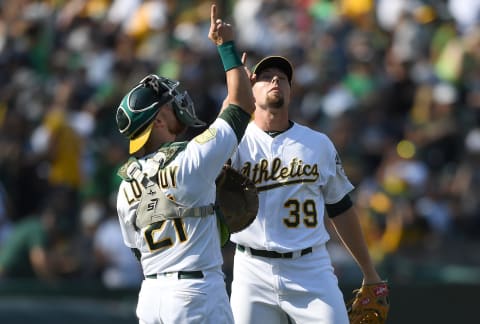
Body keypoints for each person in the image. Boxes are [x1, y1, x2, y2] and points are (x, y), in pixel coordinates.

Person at [115, 4, 254, 324]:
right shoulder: (191, 160)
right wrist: (226, 47)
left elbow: (138, 252)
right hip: (195, 294)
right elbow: (242, 106)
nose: (179, 103)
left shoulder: (126, 185)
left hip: (151, 297)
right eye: (171, 102)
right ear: (160, 120)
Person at [228, 55, 385, 324]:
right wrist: (234, 90)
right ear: (250, 89)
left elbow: (341, 208)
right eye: (265, 78)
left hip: (310, 268)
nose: (275, 80)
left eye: (282, 78)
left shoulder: (317, 143)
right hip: (251, 270)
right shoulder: (232, 141)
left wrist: (369, 272)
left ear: (291, 90)